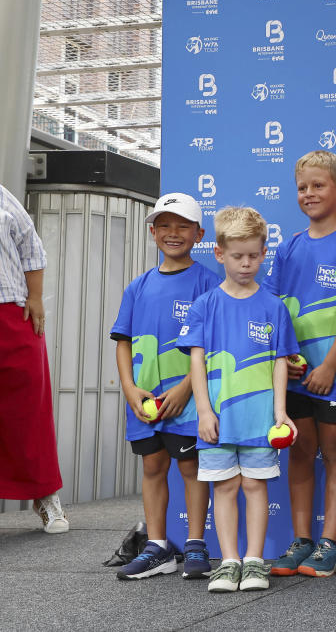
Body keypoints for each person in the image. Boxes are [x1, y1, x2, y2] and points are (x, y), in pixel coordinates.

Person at [263, 151, 336, 578]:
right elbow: (274, 309)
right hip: (292, 376)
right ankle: (301, 539)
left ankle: (331, 544)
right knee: (301, 452)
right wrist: (283, 359)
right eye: (303, 187)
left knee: (335, 451)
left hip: (335, 376)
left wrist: (328, 366)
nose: (309, 194)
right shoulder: (288, 247)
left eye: (318, 185)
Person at [177, 207, 299, 593]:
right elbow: (196, 363)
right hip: (217, 421)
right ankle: (229, 561)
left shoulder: (274, 307)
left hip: (261, 420)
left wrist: (279, 412)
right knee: (224, 489)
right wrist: (203, 411)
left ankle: (254, 562)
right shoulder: (204, 306)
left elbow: (281, 364)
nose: (246, 264)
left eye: (253, 255)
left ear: (264, 253)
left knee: (254, 488)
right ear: (219, 253)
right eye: (237, 256)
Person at [110, 193, 219, 579]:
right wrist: (128, 387)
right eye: (165, 225)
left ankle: (194, 546)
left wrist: (188, 387)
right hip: (144, 400)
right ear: (153, 232)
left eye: (183, 225)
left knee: (191, 468)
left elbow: (213, 344)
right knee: (153, 467)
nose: (173, 233)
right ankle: (157, 546)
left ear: (199, 233)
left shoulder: (209, 282)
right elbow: (123, 340)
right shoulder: (137, 287)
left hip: (188, 402)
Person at [0, 183, 68, 534]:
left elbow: (30, 243)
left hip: (12, 312)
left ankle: (45, 497)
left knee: (29, 410)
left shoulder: (1, 195)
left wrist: (36, 296)